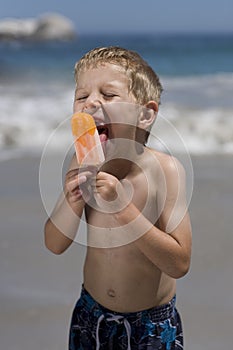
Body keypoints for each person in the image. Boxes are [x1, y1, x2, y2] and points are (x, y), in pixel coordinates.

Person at [44, 46, 192, 349]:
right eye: (82, 96)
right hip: (91, 316)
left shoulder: (165, 171)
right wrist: (72, 201)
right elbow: (54, 244)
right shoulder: (80, 162)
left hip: (151, 324)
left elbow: (179, 263)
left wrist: (123, 209)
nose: (91, 103)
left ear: (146, 114)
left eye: (108, 95)